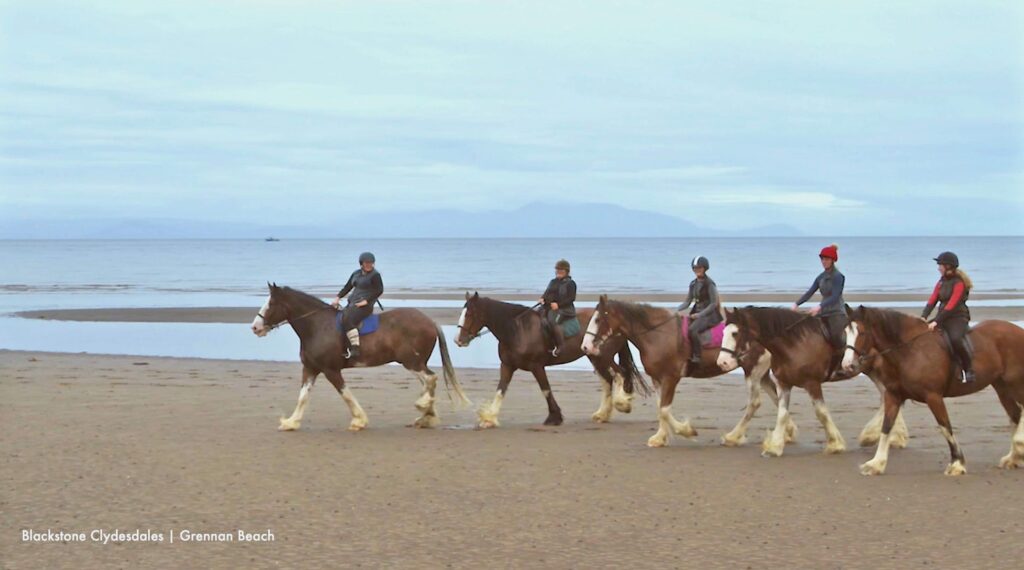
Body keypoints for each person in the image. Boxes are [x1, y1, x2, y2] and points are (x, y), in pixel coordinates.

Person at [792, 243, 847, 379]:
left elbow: (835, 296)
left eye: (827, 259)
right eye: (822, 259)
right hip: (823, 312)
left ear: (833, 260)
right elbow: (810, 292)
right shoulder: (820, 277)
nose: (824, 262)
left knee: (836, 337)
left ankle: (840, 366)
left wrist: (819, 306)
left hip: (836, 313)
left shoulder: (838, 277)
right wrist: (796, 304)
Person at [922, 251, 974, 383]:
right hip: (943, 316)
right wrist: (924, 316)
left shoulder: (959, 283)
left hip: (958, 317)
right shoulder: (941, 281)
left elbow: (951, 305)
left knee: (956, 339)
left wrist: (936, 321)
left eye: (940, 265)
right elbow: (933, 299)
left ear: (949, 266)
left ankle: (968, 370)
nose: (938, 268)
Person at [331, 252, 383, 359]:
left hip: (365, 306)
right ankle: (343, 346)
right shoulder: (356, 274)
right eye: (366, 263)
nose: (369, 265)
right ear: (361, 263)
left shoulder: (375, 275)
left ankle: (355, 348)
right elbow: (347, 287)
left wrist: (367, 301)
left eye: (371, 263)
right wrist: (337, 297)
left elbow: (379, 290)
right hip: (352, 303)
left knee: (347, 319)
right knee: (339, 318)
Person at [677, 255, 723, 366]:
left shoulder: (709, 284)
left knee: (693, 330)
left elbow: (713, 303)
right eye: (695, 268)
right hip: (696, 313)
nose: (697, 270)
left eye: (699, 268)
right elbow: (687, 301)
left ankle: (697, 356)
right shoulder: (693, 284)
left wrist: (700, 315)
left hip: (710, 315)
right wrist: (676, 310)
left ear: (705, 268)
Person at [539, 259, 577, 357]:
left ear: (566, 272)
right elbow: (547, 292)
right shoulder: (553, 281)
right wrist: (542, 298)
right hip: (549, 307)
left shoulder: (571, 283)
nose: (559, 272)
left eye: (561, 270)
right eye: (557, 270)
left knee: (553, 321)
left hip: (564, 309)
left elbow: (571, 299)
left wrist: (559, 305)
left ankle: (560, 346)